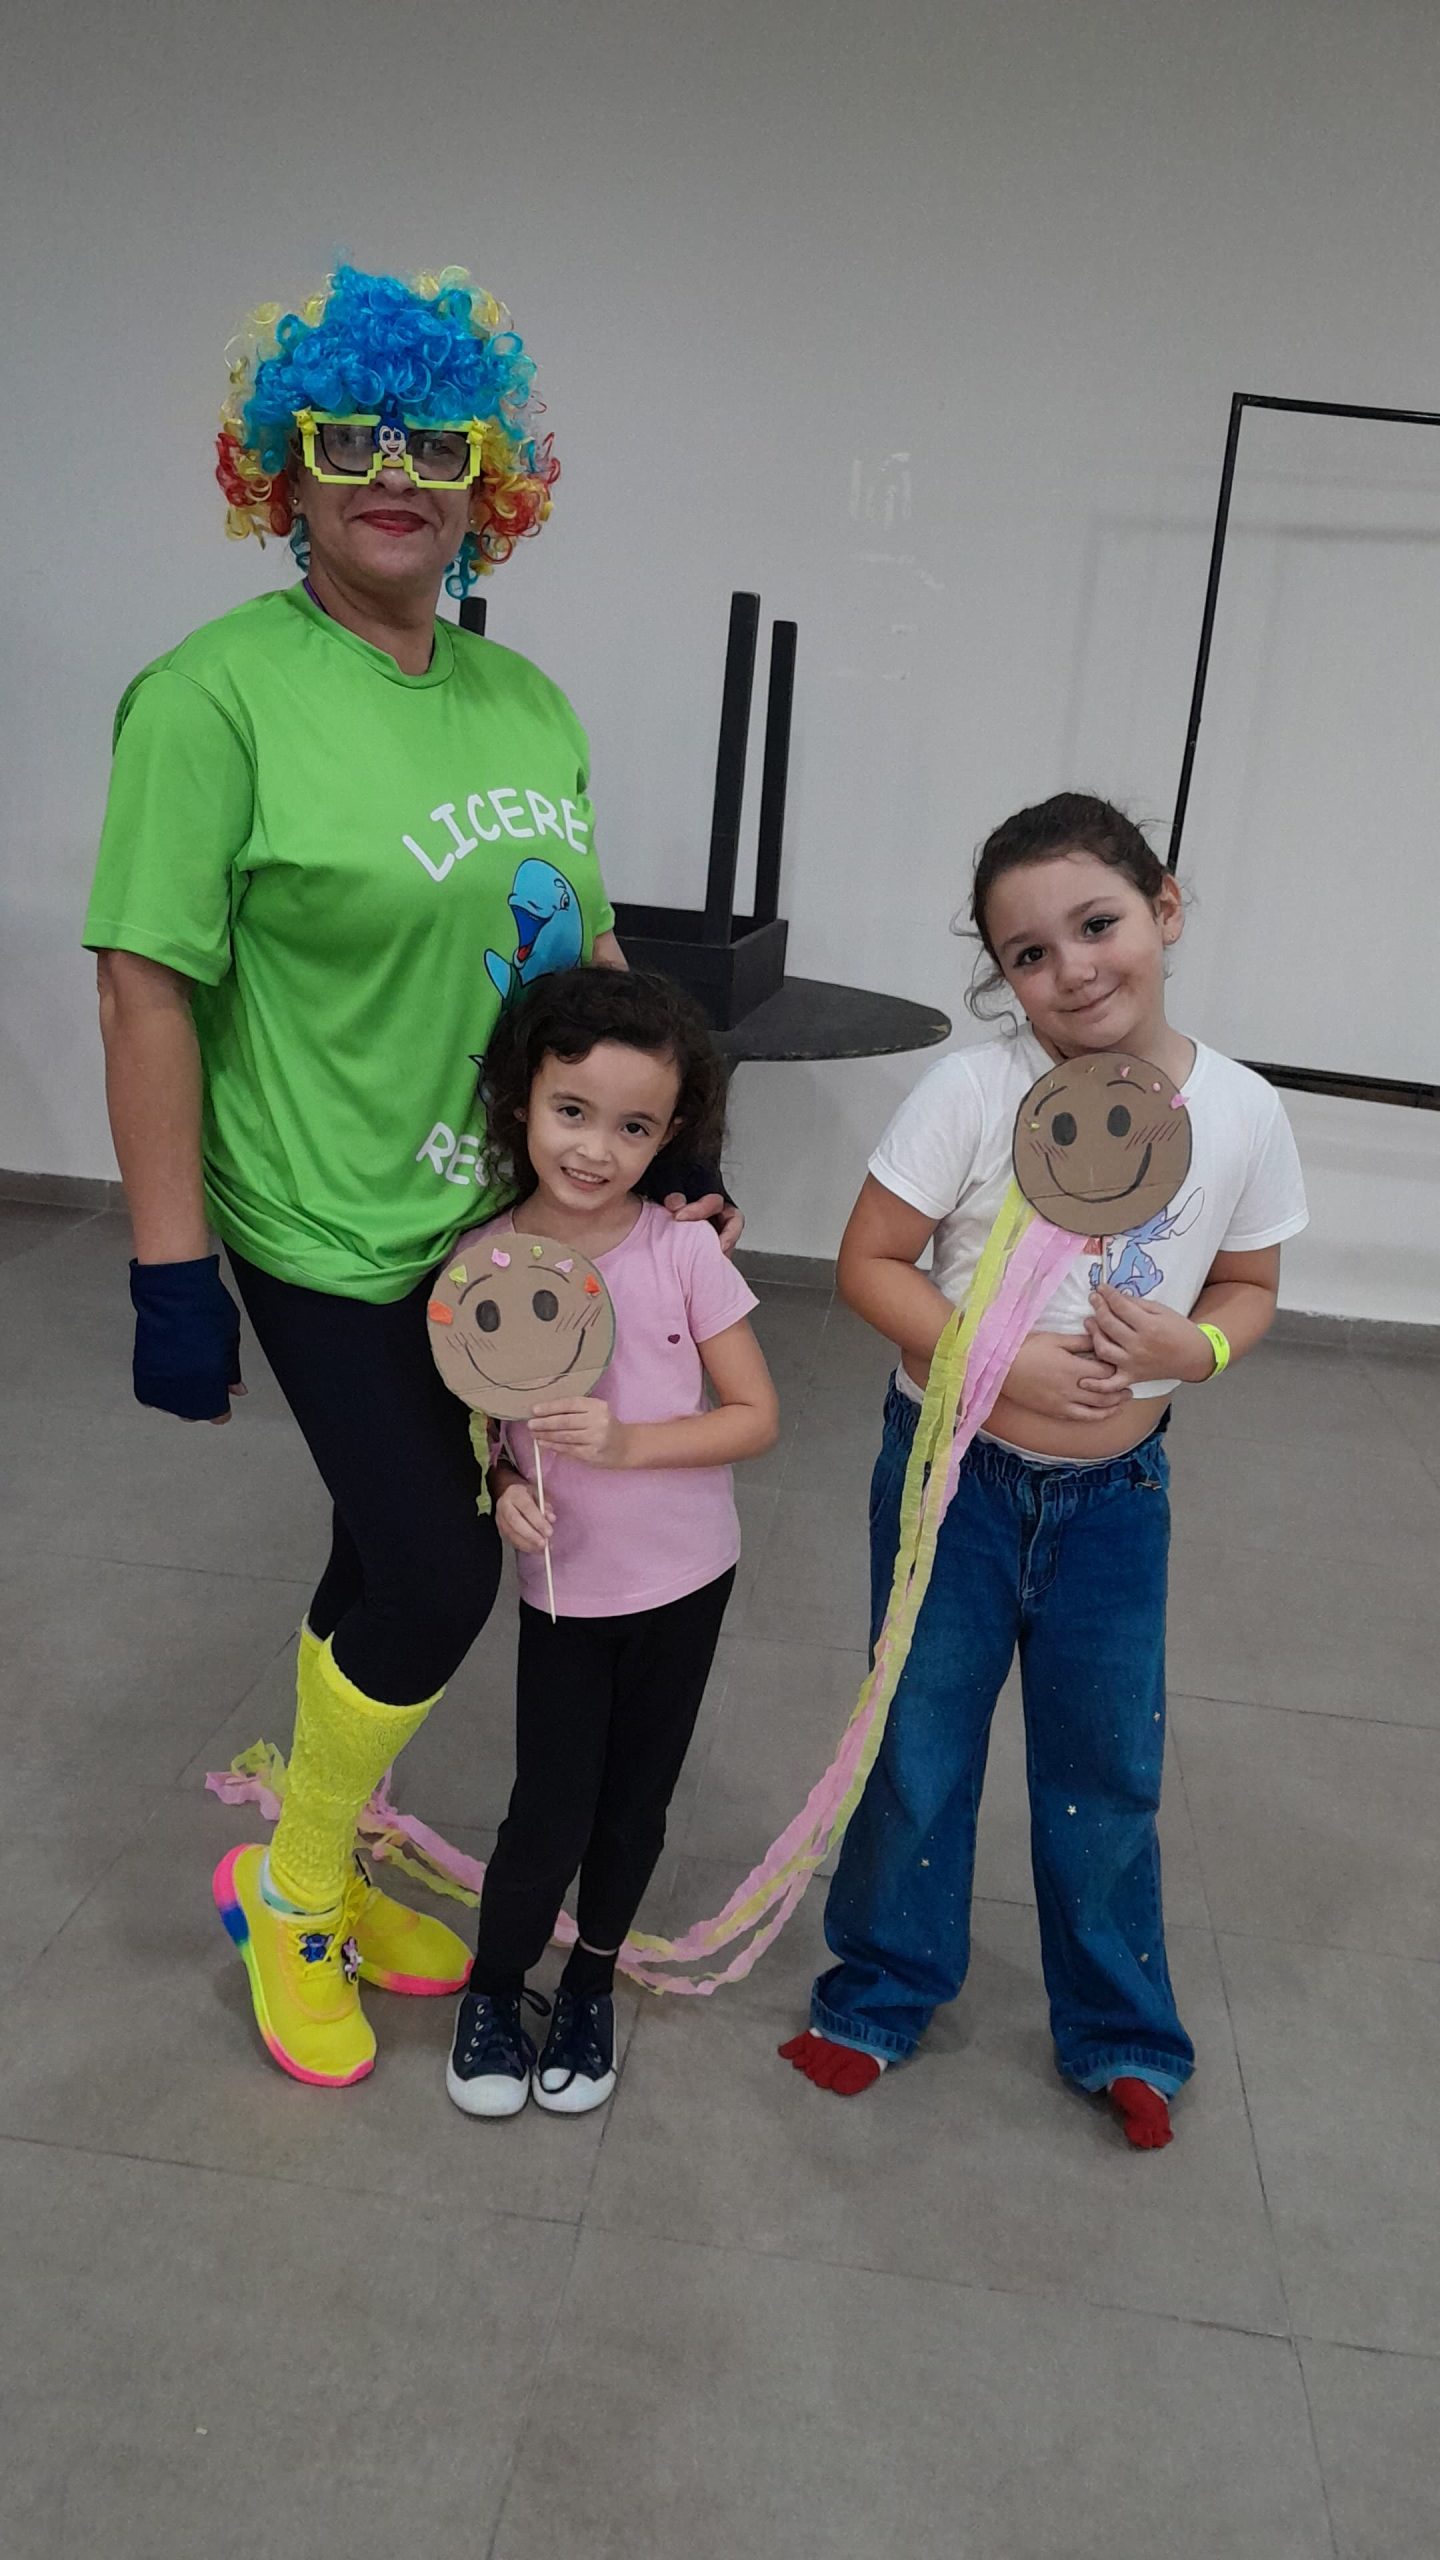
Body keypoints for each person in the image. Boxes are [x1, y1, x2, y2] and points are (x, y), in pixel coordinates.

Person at [83, 264, 737, 2092]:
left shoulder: (527, 703)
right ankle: (294, 1892)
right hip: (320, 1224)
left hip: (496, 1240)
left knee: (379, 1553)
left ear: (486, 480)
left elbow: (588, 967)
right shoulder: (211, 697)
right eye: (347, 437)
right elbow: (143, 987)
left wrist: (668, 1156)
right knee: (445, 1575)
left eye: (436, 443)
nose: (393, 471)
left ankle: (321, 1849)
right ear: (281, 468)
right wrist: (169, 1267)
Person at [780, 793, 1308, 2149]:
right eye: (1029, 952)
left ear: (1165, 910)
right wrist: (999, 1364)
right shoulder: (973, 1091)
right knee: (919, 1745)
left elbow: (1249, 1286)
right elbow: (869, 1266)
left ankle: (1123, 2029)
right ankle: (881, 1990)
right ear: (1002, 975)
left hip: (1116, 1505)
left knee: (1105, 1768)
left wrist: (1197, 1349)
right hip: (952, 1481)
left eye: (1098, 923)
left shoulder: (1241, 1111)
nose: (1071, 969)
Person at [443, 967, 778, 2118]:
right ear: (520, 1102)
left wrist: (630, 1443)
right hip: (565, 1588)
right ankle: (495, 1989)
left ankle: (589, 1981)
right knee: (548, 1810)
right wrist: (502, 1486)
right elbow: (481, 1425)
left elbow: (756, 1416)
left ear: (670, 1133)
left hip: (687, 1579)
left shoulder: (683, 1253)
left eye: (634, 1126)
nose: (596, 1148)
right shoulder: (481, 1258)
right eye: (572, 1111)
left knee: (635, 1804)